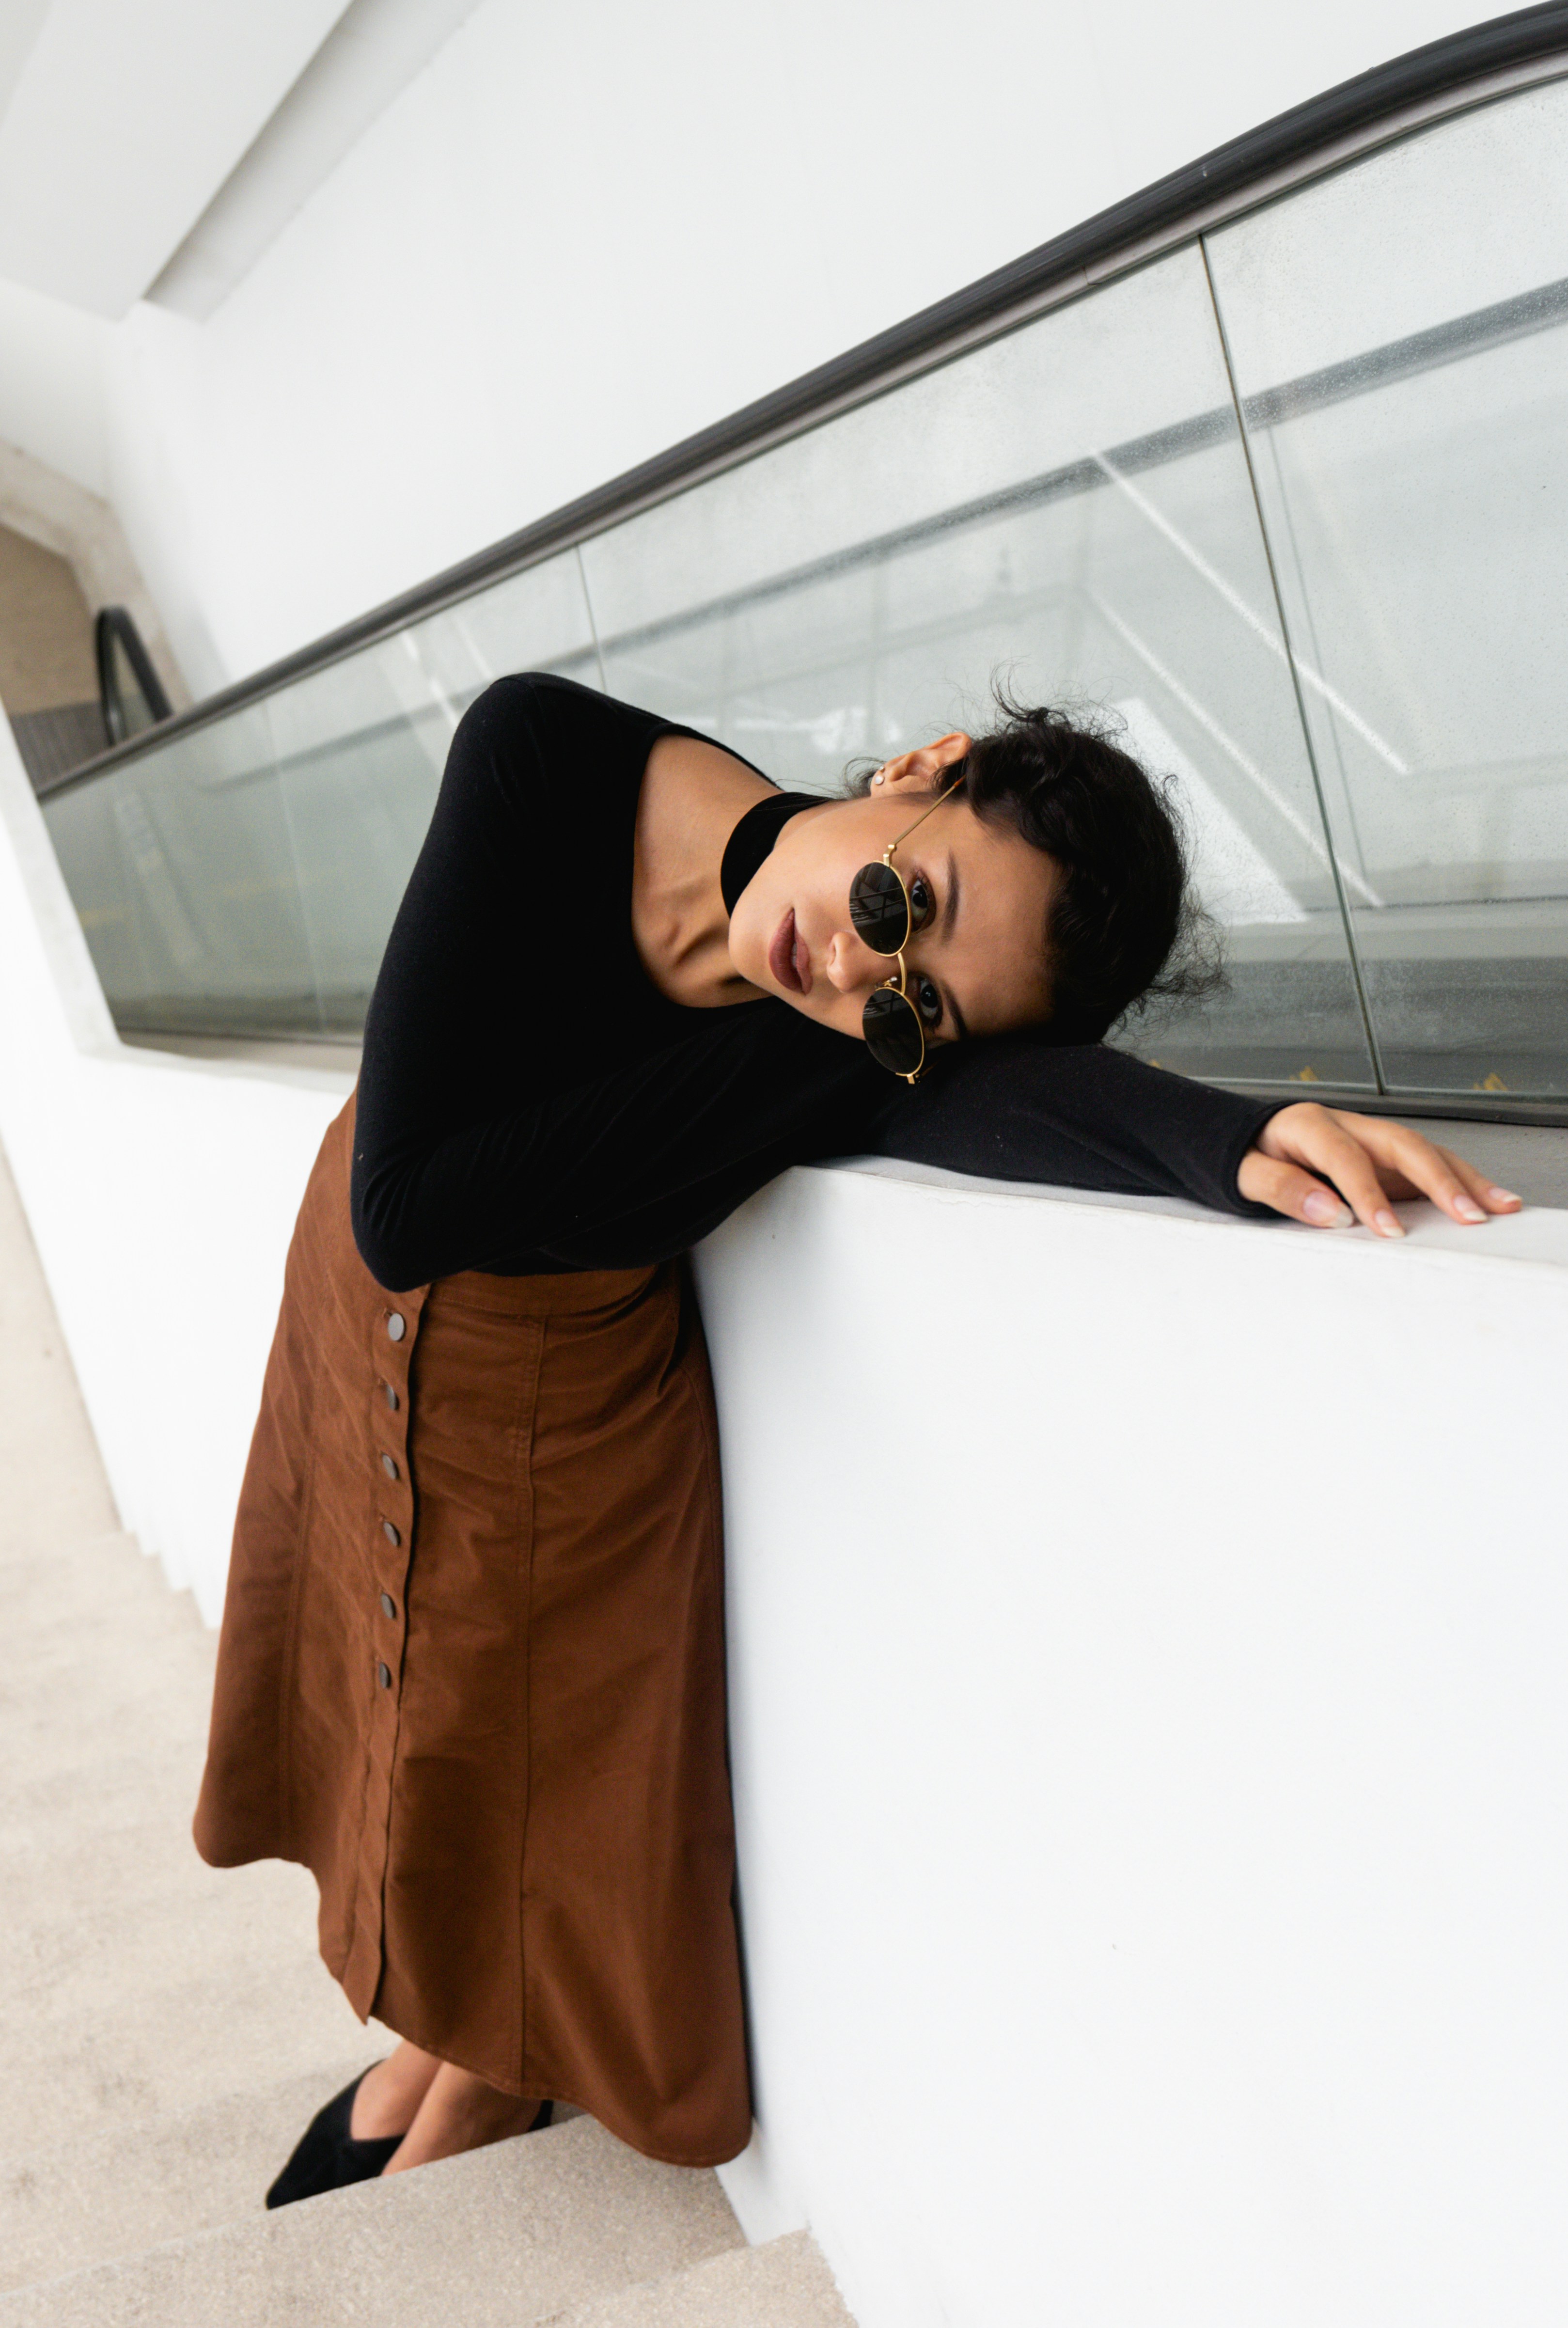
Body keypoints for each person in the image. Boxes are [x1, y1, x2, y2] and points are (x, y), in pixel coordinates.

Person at [193, 674, 1519, 2207]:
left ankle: (471, 2085)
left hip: (549, 1379)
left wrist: (1225, 1139)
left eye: (919, 1013)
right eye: (905, 896)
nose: (847, 970)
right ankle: (433, 2050)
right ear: (920, 764)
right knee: (376, 1714)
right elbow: (416, 1202)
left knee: (499, 1745)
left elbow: (994, 1100)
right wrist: (847, 1066)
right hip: (357, 1301)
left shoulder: (862, 1022)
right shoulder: (541, 756)